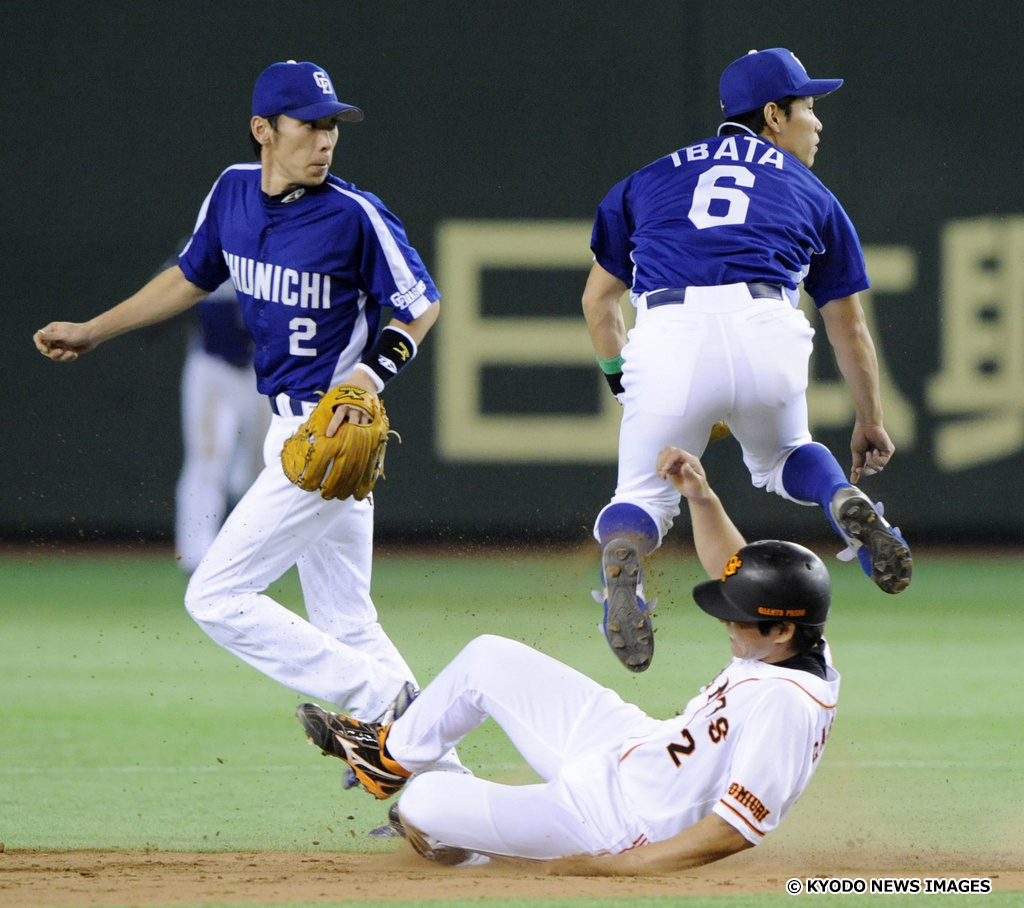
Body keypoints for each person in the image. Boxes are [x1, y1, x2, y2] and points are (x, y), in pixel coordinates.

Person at [33, 61, 459, 772]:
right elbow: (191, 276)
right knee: (347, 620)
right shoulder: (232, 192)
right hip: (287, 433)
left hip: (331, 430)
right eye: (309, 125)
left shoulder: (354, 214)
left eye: (332, 127)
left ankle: (384, 698)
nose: (324, 140)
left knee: (217, 597)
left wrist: (365, 378)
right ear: (264, 129)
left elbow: (421, 305)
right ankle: (443, 796)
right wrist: (94, 329)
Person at [296, 446, 840, 873]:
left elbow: (737, 828)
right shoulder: (795, 642)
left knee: (426, 803)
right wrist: (701, 497)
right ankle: (387, 756)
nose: (726, 618)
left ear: (784, 627)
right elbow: (734, 569)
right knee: (488, 658)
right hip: (628, 742)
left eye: (739, 614)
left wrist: (626, 869)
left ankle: (483, 855)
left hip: (611, 823)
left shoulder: (786, 704)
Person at [582, 47, 911, 673]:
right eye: (809, 108)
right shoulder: (812, 192)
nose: (818, 124)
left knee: (644, 497)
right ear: (774, 116)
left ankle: (624, 558)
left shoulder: (647, 180)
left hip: (669, 328)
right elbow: (850, 327)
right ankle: (841, 498)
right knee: (786, 454)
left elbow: (598, 303)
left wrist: (625, 383)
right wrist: (869, 417)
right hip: (767, 324)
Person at [170, 255, 270, 574]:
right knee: (207, 458)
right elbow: (170, 285)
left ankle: (255, 549)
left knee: (264, 463)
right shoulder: (210, 242)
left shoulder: (285, 244)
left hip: (263, 369)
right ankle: (196, 553)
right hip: (214, 367)